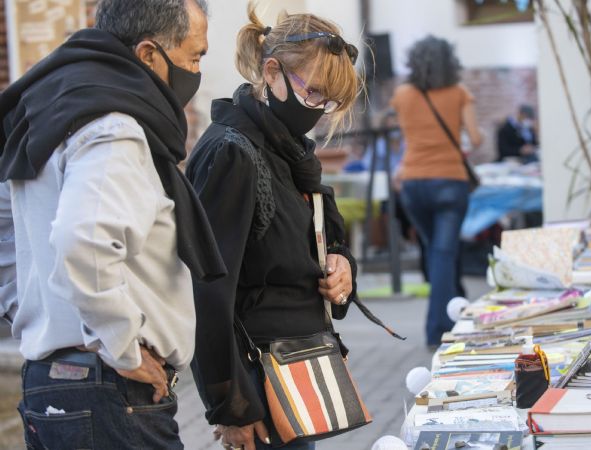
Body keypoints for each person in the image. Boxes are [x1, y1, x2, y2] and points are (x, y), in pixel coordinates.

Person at [0, 0, 222, 448]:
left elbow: (7, 227)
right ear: (147, 55)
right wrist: (120, 345)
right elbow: (83, 240)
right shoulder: (114, 126)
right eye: (194, 56)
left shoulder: (49, 107)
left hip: (53, 380)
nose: (196, 71)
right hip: (110, 390)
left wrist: (28, 312)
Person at [188, 8, 396, 450]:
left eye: (329, 101)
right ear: (271, 72)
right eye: (315, 92)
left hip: (299, 370)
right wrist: (230, 406)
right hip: (259, 385)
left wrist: (343, 267)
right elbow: (207, 290)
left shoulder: (291, 152)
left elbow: (319, 240)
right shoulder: (233, 153)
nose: (320, 110)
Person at [391, 36, 483, 347]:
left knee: (437, 253)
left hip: (413, 185)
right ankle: (439, 329)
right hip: (449, 182)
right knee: (443, 254)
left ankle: (458, 305)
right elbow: (476, 138)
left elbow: (407, 135)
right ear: (450, 61)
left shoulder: (402, 94)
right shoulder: (459, 93)